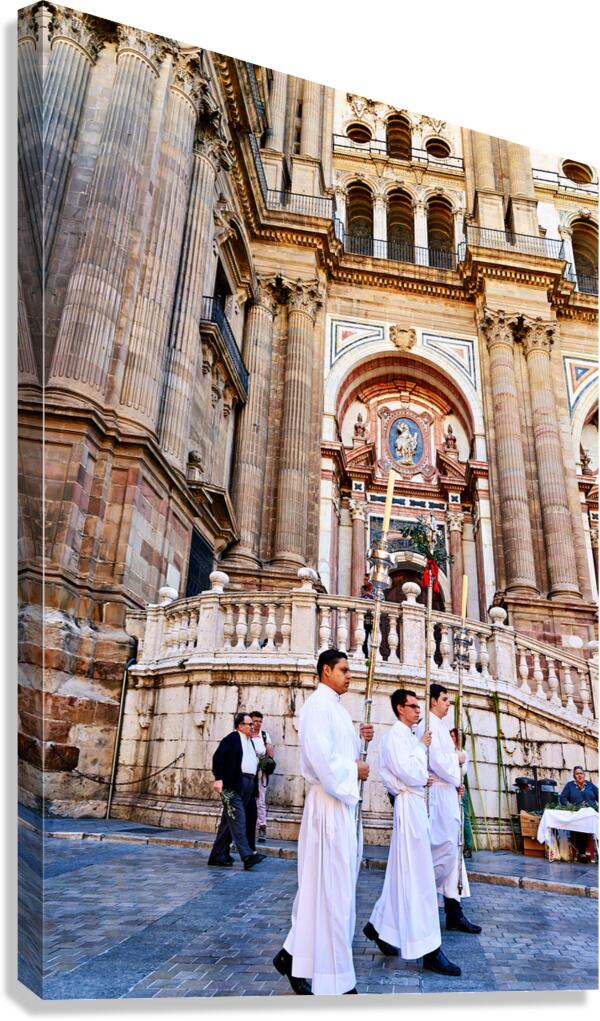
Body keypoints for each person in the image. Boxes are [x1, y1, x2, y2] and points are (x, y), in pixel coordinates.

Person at [273, 649, 373, 996]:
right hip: (329, 805)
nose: (349, 675)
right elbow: (321, 760)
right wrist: (354, 770)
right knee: (331, 891)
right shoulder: (317, 706)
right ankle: (336, 982)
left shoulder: (336, 709)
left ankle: (292, 954)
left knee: (328, 888)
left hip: (340, 805)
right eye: (344, 670)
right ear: (326, 670)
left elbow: (338, 752)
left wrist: (360, 741)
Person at [364, 689, 461, 976]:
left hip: (415, 804)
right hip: (408, 805)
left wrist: (421, 763)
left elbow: (417, 773)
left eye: (419, 706)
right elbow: (410, 773)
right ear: (399, 708)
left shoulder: (407, 735)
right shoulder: (397, 735)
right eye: (412, 706)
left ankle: (380, 926)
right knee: (418, 876)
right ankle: (428, 949)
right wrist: (421, 749)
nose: (418, 711)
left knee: (402, 873)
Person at [416, 684, 481, 935]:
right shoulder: (428, 726)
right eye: (444, 699)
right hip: (438, 796)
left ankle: (454, 911)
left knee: (454, 854)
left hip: (449, 794)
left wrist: (457, 772)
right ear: (432, 701)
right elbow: (436, 761)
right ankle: (421, 901)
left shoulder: (442, 727)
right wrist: (457, 760)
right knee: (442, 851)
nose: (448, 704)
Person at [208, 712, 267, 871]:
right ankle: (247, 856)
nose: (252, 726)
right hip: (232, 786)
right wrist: (219, 778)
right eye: (249, 724)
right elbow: (217, 758)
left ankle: (218, 855)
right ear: (240, 726)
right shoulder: (232, 738)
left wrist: (254, 788)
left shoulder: (250, 741)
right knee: (239, 819)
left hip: (246, 785)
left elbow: (259, 756)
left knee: (228, 823)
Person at [559, 766, 598, 861]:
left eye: (581, 773)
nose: (579, 775)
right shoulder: (569, 786)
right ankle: (582, 853)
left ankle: (589, 853)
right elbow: (563, 798)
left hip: (590, 813)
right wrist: (569, 805)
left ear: (584, 775)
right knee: (580, 827)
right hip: (577, 814)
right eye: (577, 774)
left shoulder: (590, 785)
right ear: (574, 776)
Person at [250, 711, 274, 843]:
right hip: (246, 774)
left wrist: (264, 764)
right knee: (246, 800)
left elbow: (270, 756)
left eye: (260, 721)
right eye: (255, 721)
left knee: (260, 801)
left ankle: (262, 827)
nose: (258, 723)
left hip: (260, 774)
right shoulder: (245, 735)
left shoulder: (264, 736)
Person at [450, 726, 473, 859]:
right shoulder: (448, 751)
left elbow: (462, 771)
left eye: (452, 736)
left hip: (459, 788)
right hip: (448, 788)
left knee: (464, 818)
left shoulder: (463, 753)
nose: (450, 738)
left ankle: (468, 846)